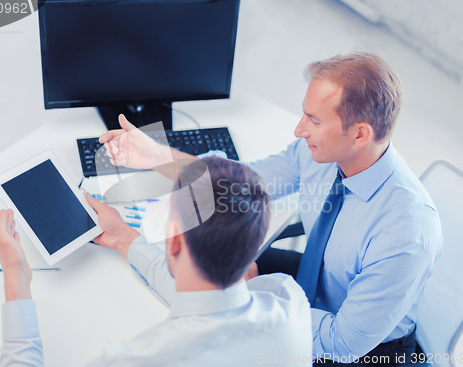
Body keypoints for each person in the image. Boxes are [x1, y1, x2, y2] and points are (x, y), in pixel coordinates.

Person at [101, 52, 443, 365]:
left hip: (364, 351)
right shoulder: (322, 155)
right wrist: (157, 155)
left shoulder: (406, 234)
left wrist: (246, 300)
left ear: (359, 134)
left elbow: (342, 342)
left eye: (314, 120)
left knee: (214, 298)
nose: (299, 129)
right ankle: (124, 240)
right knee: (208, 267)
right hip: (319, 281)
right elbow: (237, 186)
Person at [0, 156, 313, 367]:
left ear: (173, 243)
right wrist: (124, 238)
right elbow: (208, 301)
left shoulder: (137, 358)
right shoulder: (288, 299)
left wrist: (16, 278)